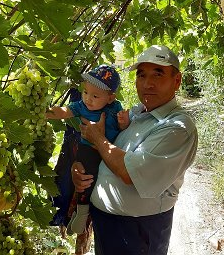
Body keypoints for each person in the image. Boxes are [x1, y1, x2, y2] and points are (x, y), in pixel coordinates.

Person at [71, 45, 198, 255]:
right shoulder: (136, 115)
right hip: (108, 225)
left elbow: (130, 171)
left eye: (158, 74)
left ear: (177, 81)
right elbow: (109, 154)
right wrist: (80, 169)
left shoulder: (177, 127)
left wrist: (98, 138)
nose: (148, 83)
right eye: (141, 75)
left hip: (138, 233)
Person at [46, 65, 130, 235]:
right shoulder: (81, 107)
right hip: (88, 150)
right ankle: (81, 211)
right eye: (85, 92)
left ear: (110, 97)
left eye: (95, 96)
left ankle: (82, 213)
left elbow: (123, 128)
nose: (88, 99)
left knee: (94, 182)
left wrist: (123, 122)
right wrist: (44, 112)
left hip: (109, 152)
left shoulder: (115, 108)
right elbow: (64, 112)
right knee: (85, 177)